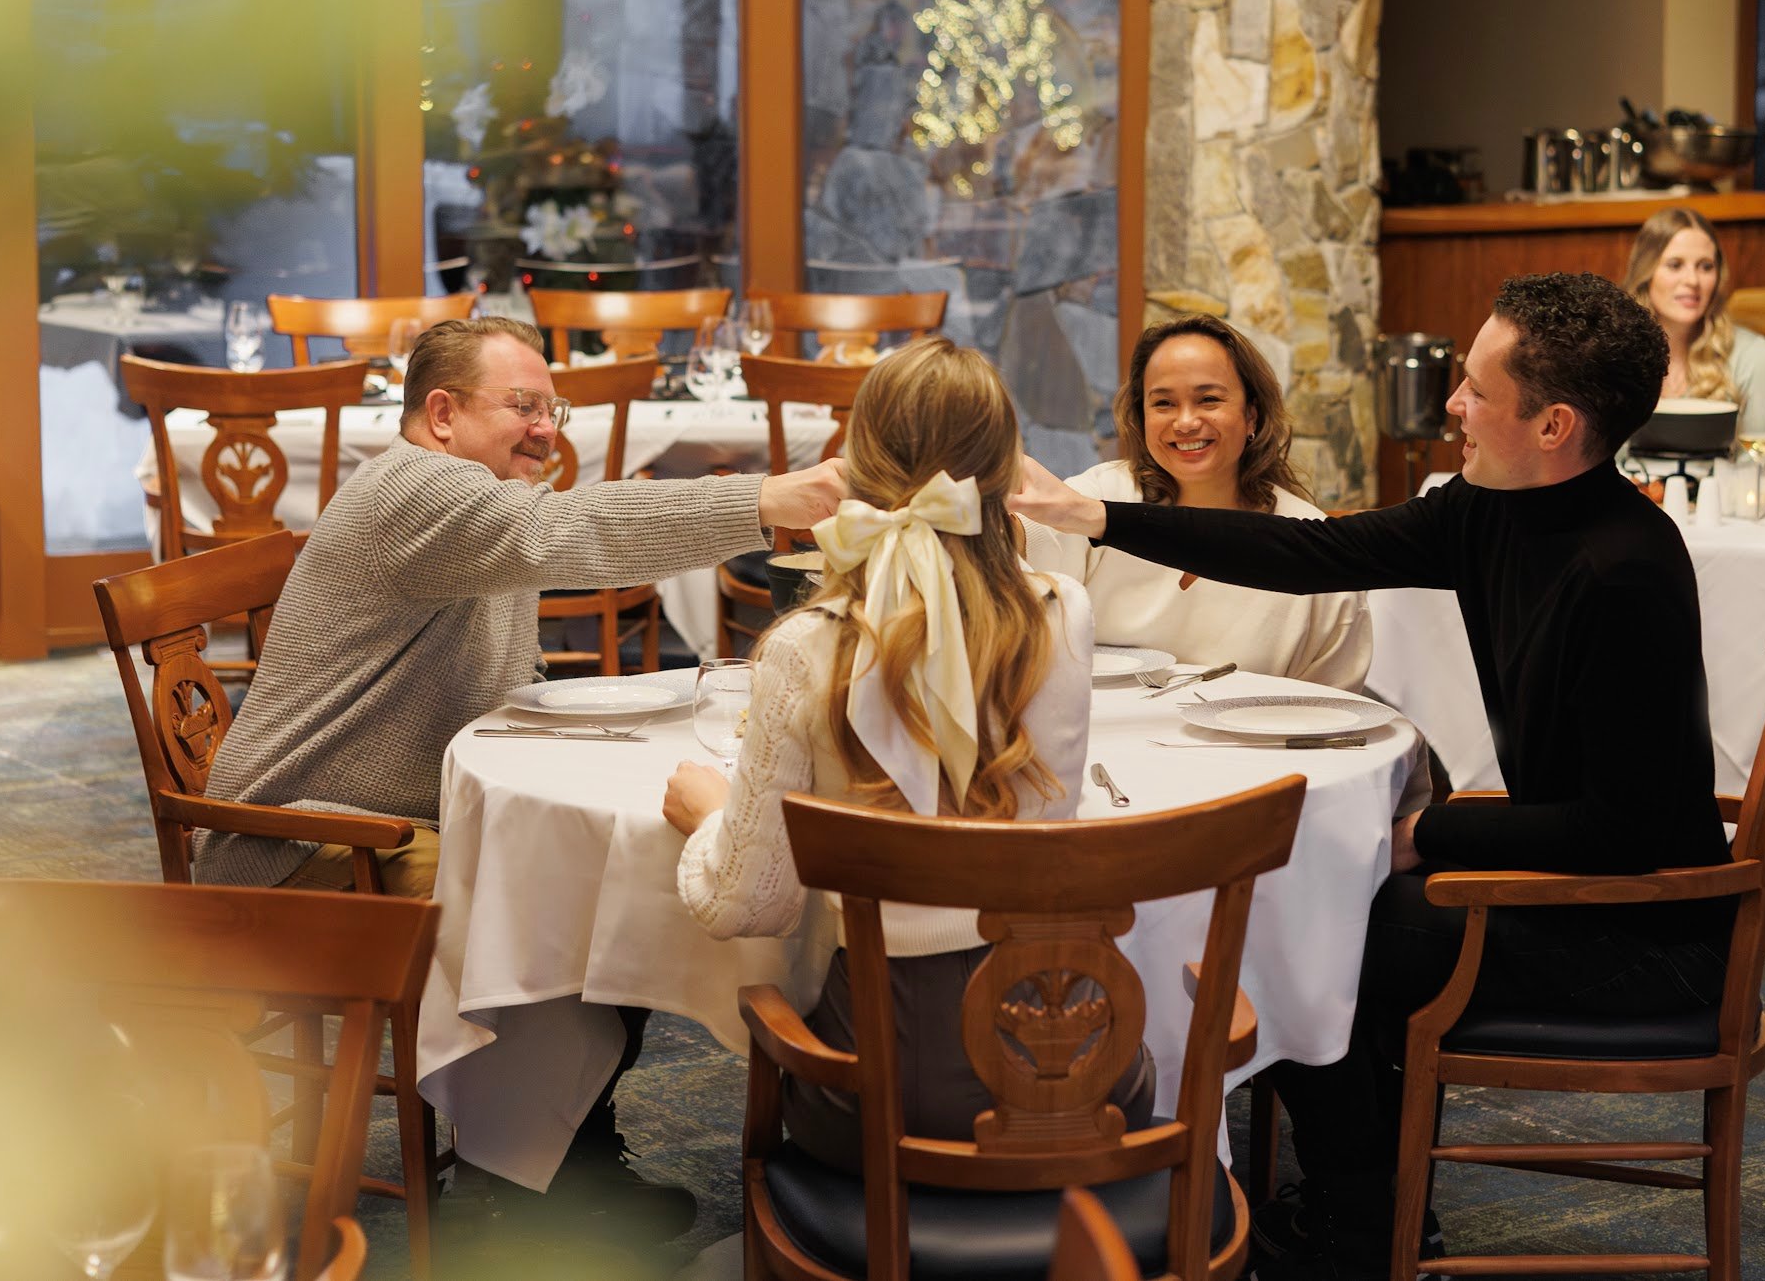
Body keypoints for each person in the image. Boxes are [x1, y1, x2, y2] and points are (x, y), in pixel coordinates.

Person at [1013, 273, 1729, 1281]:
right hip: (1565, 877)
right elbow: (1310, 551)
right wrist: (1095, 518)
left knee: (1320, 928)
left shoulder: (1624, 573)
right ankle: (1364, 1201)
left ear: (1554, 422)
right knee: (1321, 908)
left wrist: (1428, 834)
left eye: (1475, 389)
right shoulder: (1490, 508)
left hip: (1642, 927)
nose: (1451, 405)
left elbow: (1625, 829)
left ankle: (1361, 1227)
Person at [194, 314, 845, 1220]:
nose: (548, 428)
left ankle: (559, 1155)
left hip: (399, 815)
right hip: (303, 844)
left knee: (608, 878)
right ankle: (534, 1183)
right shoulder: (419, 492)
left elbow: (512, 652)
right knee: (573, 899)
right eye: (521, 406)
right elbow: (580, 529)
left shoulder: (483, 496)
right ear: (442, 413)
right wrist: (763, 500)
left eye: (554, 407)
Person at [662, 337, 1154, 1168]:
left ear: (856, 462)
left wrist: (712, 816)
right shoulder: (1062, 612)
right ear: (1007, 467)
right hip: (1072, 1062)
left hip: (883, 1080)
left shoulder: (809, 647)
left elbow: (745, 904)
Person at [1022, 314, 1370, 690]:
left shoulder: (1308, 540)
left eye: (1208, 399)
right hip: (1104, 740)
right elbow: (1024, 553)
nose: (1185, 422)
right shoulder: (1101, 494)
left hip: (1252, 747)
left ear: (1251, 414)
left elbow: (1332, 708)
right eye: (1164, 403)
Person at [1623, 206, 1765, 466]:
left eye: (1705, 266)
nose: (1692, 280)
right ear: (1646, 273)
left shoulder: (1753, 356)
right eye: (1675, 265)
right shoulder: (1616, 355)